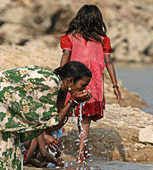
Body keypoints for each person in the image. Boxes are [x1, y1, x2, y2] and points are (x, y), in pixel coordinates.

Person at [0, 61, 92, 170]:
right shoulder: (50, 84)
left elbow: (57, 122)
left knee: (12, 160)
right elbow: (53, 122)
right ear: (70, 81)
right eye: (83, 85)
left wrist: (71, 103)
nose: (84, 89)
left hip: (3, 114)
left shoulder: (60, 87)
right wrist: (73, 102)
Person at [59, 4, 121, 163]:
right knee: (85, 118)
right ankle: (82, 152)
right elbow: (109, 62)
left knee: (65, 111)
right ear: (98, 21)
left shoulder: (71, 38)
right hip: (92, 84)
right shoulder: (102, 40)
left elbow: (66, 56)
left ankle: (60, 146)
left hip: (73, 81)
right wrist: (115, 85)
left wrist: (61, 75)